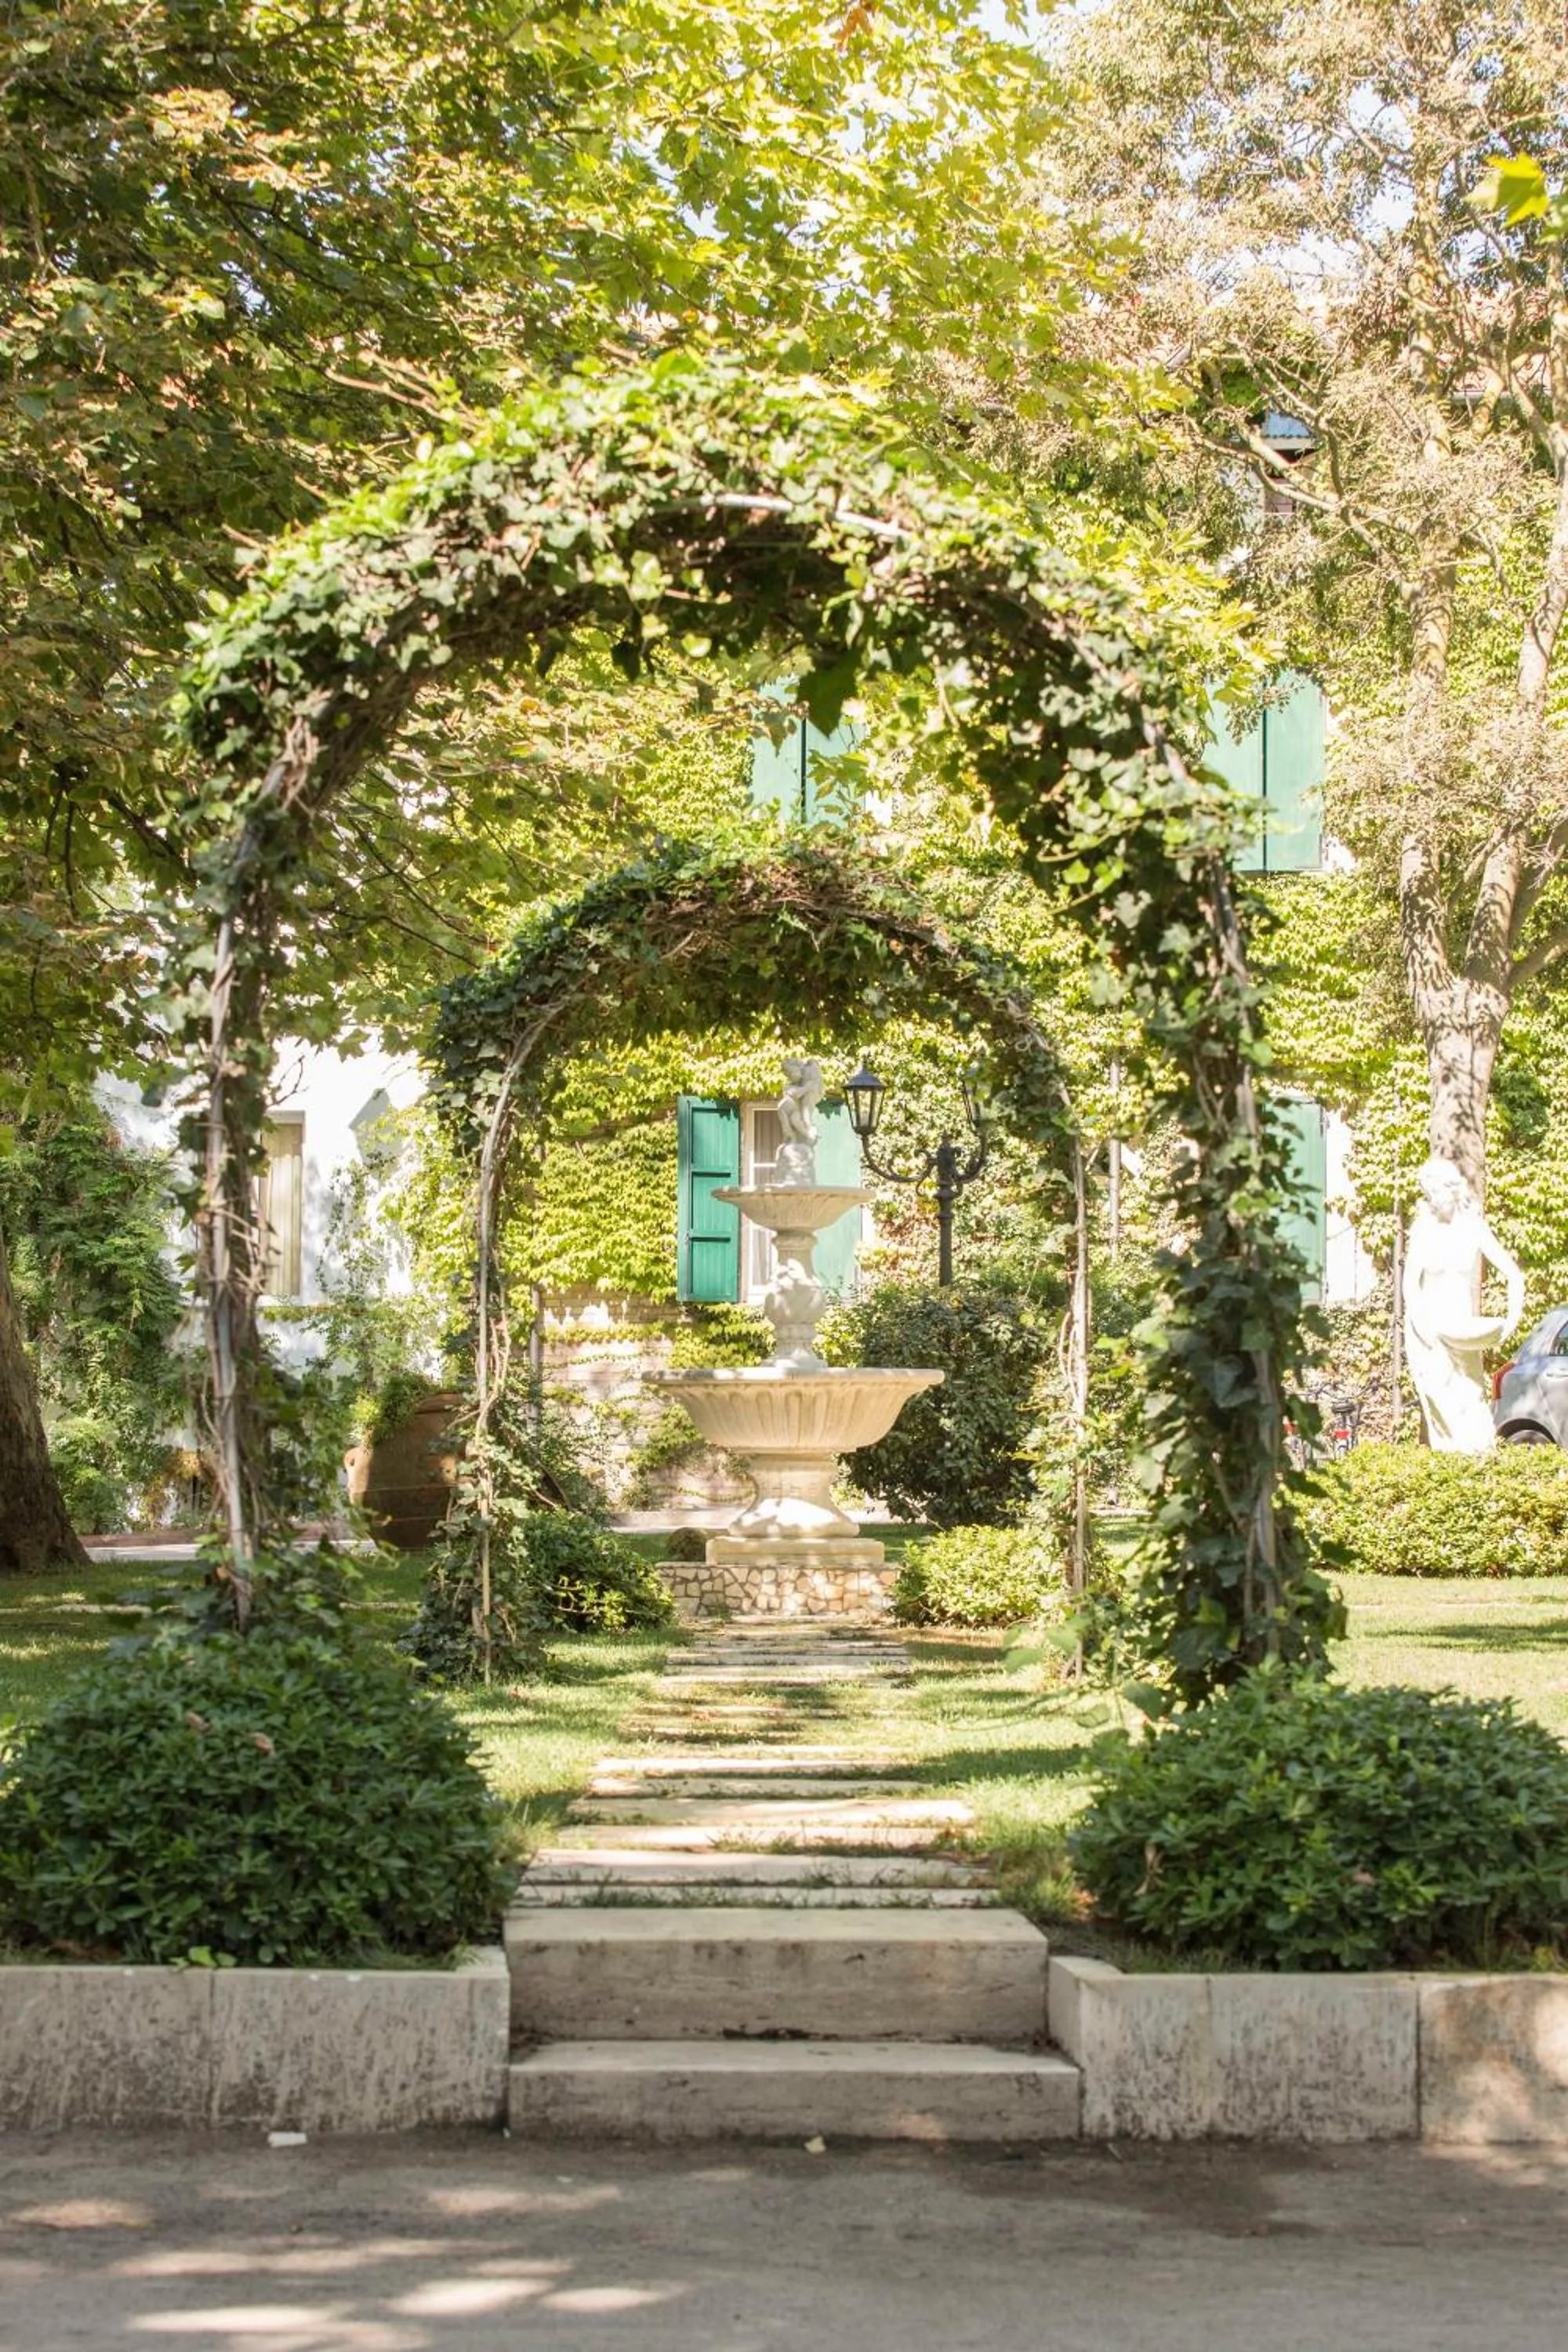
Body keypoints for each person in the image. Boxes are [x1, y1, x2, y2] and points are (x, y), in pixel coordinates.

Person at [1403, 1156, 1524, 1454]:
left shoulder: (1473, 1228)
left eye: (1439, 1192)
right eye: (1430, 1194)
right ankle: (1451, 1468)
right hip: (1427, 1329)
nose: (1435, 1200)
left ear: (1453, 1189)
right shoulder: (1424, 1229)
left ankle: (1475, 1468)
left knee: (1471, 1398)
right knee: (1442, 1408)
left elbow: (1513, 1274)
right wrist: (1424, 1328)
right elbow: (1410, 1285)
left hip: (1463, 1329)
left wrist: (1511, 1319)